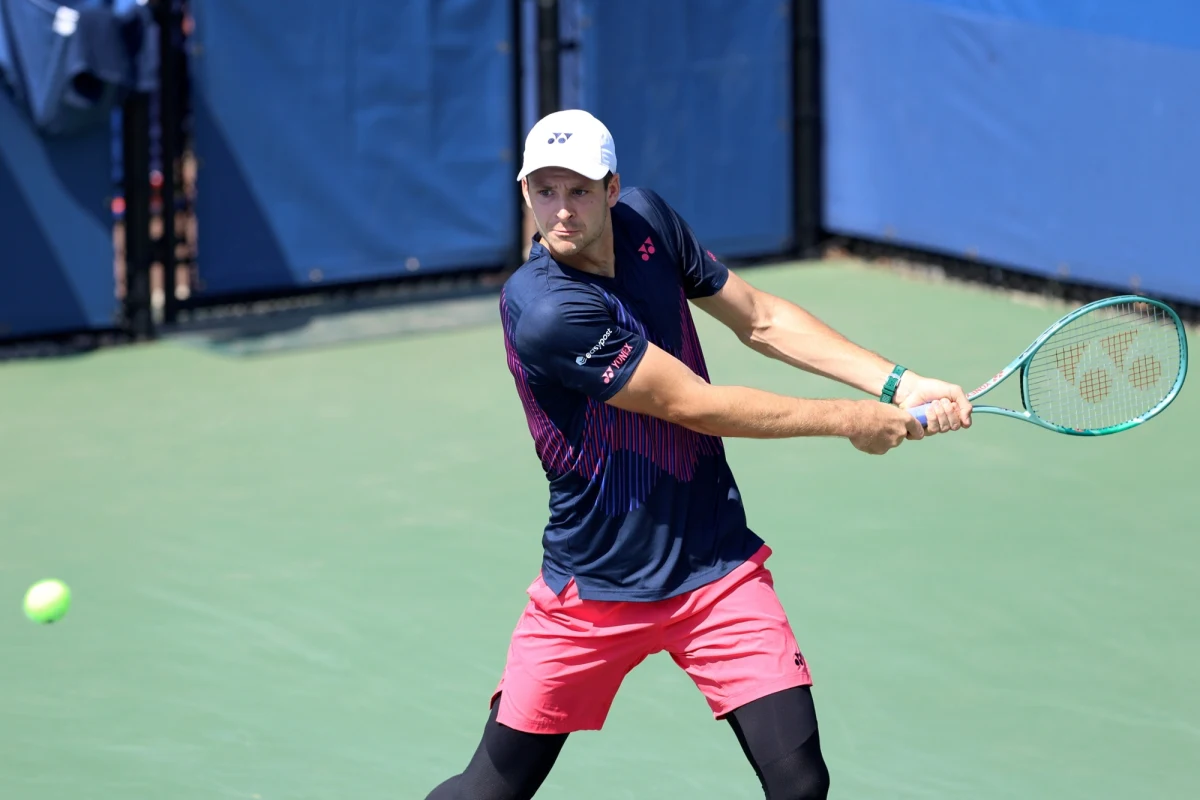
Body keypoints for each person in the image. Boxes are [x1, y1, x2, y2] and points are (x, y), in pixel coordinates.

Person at [425, 109, 972, 800]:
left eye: (580, 191)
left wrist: (898, 382)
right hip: (594, 590)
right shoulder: (547, 311)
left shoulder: (650, 222)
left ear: (613, 188)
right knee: (486, 794)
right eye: (545, 191)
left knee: (800, 783)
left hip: (713, 566)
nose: (560, 212)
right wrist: (853, 420)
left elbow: (760, 318)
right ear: (525, 191)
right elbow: (693, 405)